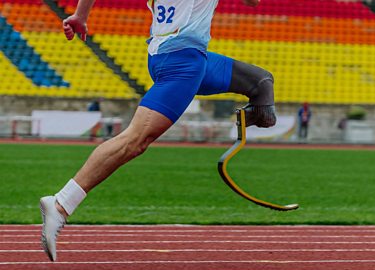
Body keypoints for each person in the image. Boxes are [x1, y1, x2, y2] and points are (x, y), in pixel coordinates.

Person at [40, 0, 277, 262]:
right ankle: (61, 203)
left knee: (261, 82)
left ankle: (257, 110)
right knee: (135, 140)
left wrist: (80, 15)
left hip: (172, 54)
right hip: (182, 62)